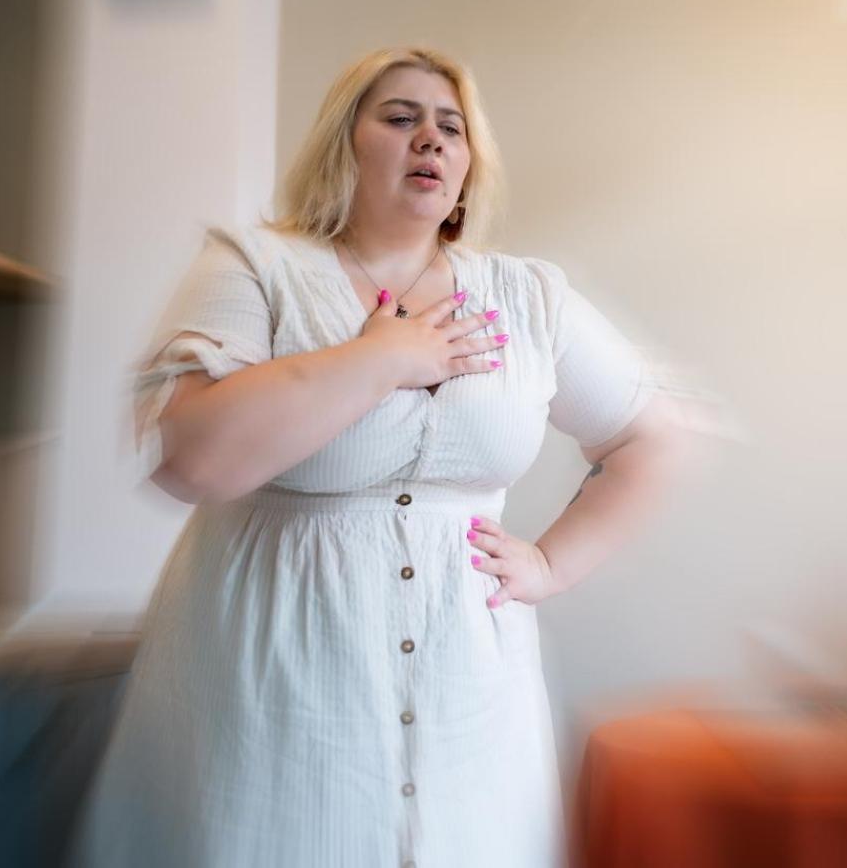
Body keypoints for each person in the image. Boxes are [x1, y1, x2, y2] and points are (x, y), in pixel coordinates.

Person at [74, 46, 684, 867]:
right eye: (400, 118)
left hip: (471, 703)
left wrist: (549, 564)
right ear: (344, 145)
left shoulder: (529, 296)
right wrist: (380, 359)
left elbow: (652, 436)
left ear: (467, 166)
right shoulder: (257, 266)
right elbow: (192, 460)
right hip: (272, 691)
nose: (429, 138)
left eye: (451, 128)